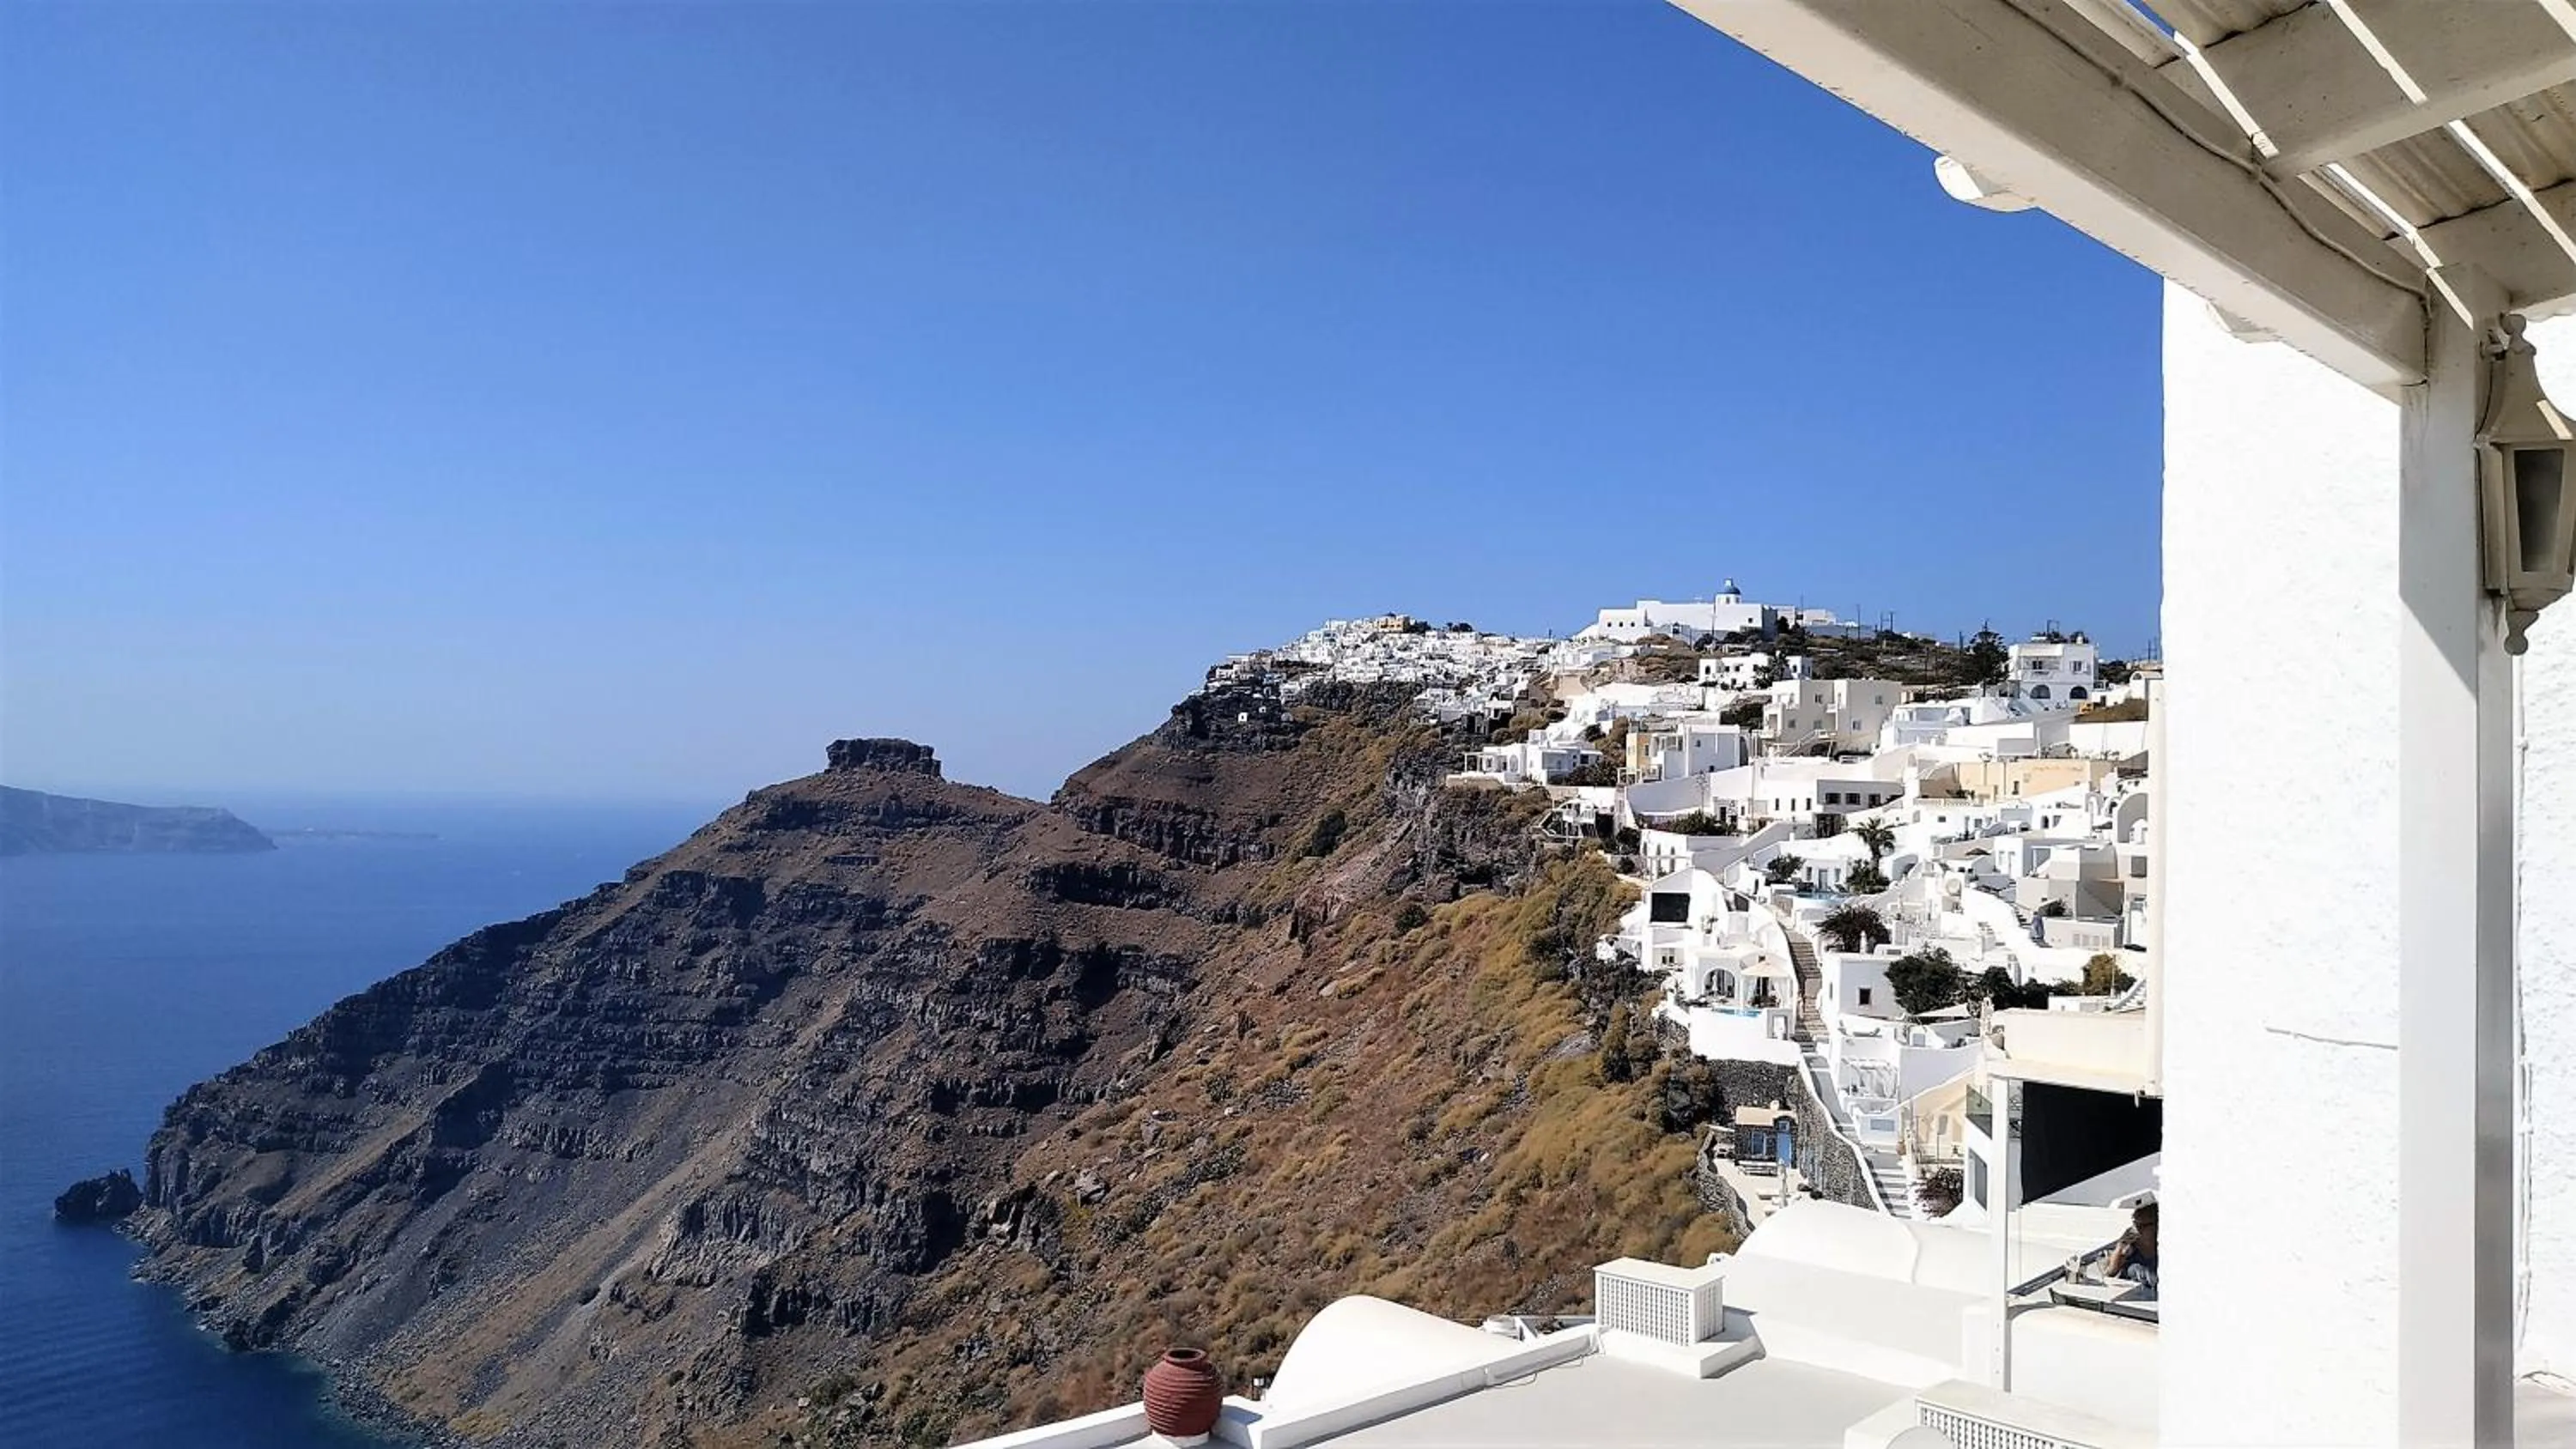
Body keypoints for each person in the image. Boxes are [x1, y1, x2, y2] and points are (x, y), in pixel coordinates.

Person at [2103, 1200, 2158, 1299]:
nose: (2137, 1230)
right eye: (2135, 1224)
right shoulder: (2130, 1246)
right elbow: (2109, 1273)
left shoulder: (2165, 1250)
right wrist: (2120, 1247)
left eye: (2142, 1226)